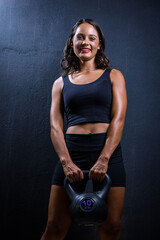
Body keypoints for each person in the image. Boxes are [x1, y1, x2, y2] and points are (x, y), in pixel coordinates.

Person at [40, 18, 127, 240]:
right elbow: (55, 126)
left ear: (99, 44)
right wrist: (67, 163)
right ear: (72, 43)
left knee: (112, 228)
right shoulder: (60, 83)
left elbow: (118, 119)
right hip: (71, 153)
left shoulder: (114, 76)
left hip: (107, 153)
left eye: (91, 38)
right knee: (54, 228)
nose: (85, 41)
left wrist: (104, 158)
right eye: (80, 36)